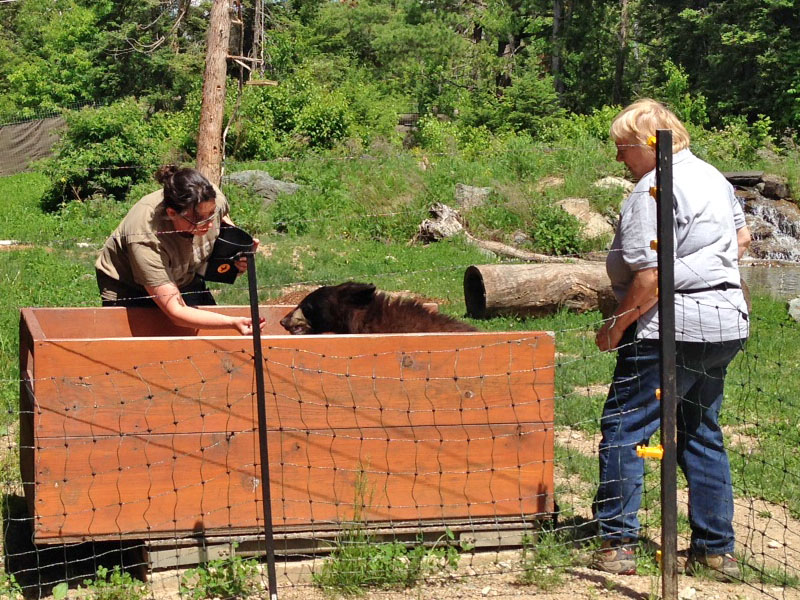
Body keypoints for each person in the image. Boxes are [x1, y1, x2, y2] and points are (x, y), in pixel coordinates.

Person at [592, 99, 750, 579]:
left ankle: (618, 542)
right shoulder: (712, 176)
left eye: (622, 148)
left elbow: (648, 278)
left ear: (646, 144)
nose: (619, 159)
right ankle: (716, 549)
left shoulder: (652, 189)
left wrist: (615, 326)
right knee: (701, 429)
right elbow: (742, 241)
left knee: (626, 426)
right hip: (724, 322)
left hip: (671, 328)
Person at [96, 165, 263, 335]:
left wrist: (236, 250)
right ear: (172, 213)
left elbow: (223, 218)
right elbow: (176, 312)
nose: (210, 224)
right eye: (199, 219)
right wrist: (232, 321)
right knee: (146, 353)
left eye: (211, 214)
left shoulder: (210, 198)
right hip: (130, 288)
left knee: (210, 339)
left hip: (185, 276)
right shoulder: (145, 236)